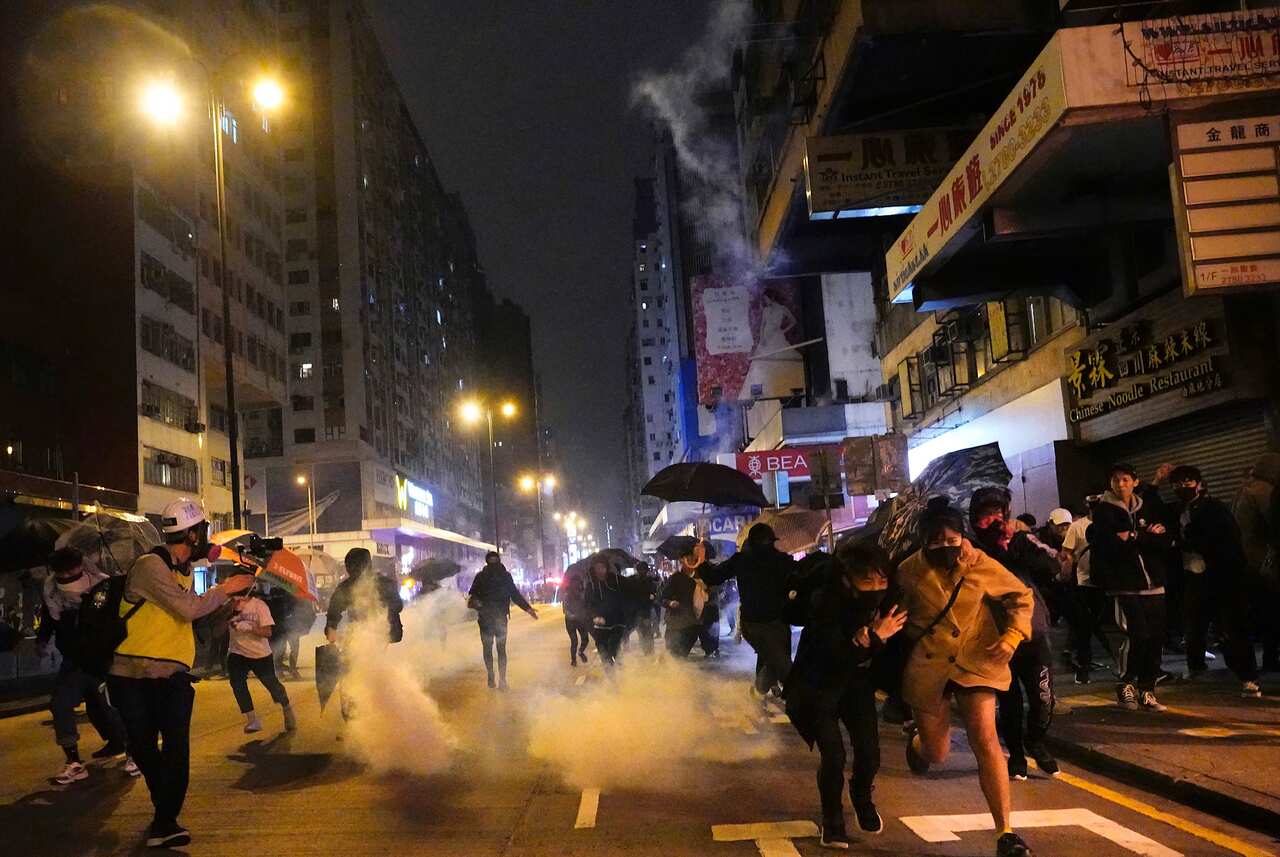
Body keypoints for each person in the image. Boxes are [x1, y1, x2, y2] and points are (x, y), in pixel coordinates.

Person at [107, 498, 255, 849]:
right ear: (190, 534)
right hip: (131, 674)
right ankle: (166, 813)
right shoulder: (150, 566)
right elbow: (186, 610)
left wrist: (228, 607)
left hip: (172, 676)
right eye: (203, 529)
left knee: (176, 747)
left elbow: (190, 624)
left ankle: (165, 819)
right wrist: (224, 590)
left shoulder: (183, 571)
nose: (206, 537)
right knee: (143, 748)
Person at [899, 497, 1035, 857]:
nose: (944, 546)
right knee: (937, 752)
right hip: (929, 665)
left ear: (962, 535)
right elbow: (893, 613)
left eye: (950, 538)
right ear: (923, 540)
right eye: (935, 541)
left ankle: (1006, 832)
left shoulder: (980, 563)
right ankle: (918, 744)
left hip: (976, 660)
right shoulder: (908, 571)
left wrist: (1012, 637)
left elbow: (1021, 598)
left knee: (986, 738)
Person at [785, 541, 907, 848]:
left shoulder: (890, 605)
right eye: (867, 581)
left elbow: (900, 649)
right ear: (846, 580)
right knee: (834, 754)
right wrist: (871, 639)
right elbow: (834, 656)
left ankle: (861, 794)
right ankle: (832, 820)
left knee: (869, 753)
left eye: (882, 580)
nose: (876, 588)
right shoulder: (823, 604)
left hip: (857, 685)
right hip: (819, 686)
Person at [969, 488, 1061, 780]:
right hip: (997, 636)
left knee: (1043, 697)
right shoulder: (973, 551)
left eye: (998, 513)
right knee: (1009, 701)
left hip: (1033, 631)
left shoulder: (1022, 540)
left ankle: (1035, 740)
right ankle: (1017, 755)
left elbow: (1052, 565)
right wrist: (996, 549)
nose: (994, 520)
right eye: (986, 516)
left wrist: (1016, 545)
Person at [37, 547, 136, 784]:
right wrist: (42, 641)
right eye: (62, 573)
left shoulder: (104, 588)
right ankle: (73, 761)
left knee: (115, 707)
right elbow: (51, 621)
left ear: (81, 566)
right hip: (75, 661)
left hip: (105, 659)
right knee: (61, 704)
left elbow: (118, 622)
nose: (68, 578)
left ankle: (133, 753)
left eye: (71, 570)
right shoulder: (52, 593)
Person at [1170, 465, 1261, 697]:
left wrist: (1187, 542)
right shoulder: (1177, 510)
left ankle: (1248, 677)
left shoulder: (1214, 509)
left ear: (1199, 484)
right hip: (1192, 576)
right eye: (1178, 483)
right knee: (1194, 624)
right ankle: (1197, 667)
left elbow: (1225, 541)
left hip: (1223, 577)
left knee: (1232, 626)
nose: (1183, 486)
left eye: (1188, 481)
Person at [1088, 463, 1172, 712]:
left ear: (1135, 481)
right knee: (1138, 634)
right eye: (1116, 480)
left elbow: (1164, 540)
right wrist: (1144, 536)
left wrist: (1135, 536)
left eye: (1125, 479)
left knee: (1156, 637)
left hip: (1154, 582)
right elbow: (1111, 545)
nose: (1120, 484)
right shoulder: (1103, 511)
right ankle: (1126, 682)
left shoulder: (1148, 506)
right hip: (1124, 583)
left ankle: (1147, 689)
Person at [699, 524, 797, 697]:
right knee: (780, 663)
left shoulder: (746, 560)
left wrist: (701, 561)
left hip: (760, 623)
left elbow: (713, 576)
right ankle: (795, 698)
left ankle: (760, 690)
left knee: (772, 659)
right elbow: (713, 577)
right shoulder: (779, 560)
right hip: (765, 623)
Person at [324, 548, 405, 718]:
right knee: (351, 671)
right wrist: (331, 628)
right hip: (358, 635)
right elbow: (334, 611)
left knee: (374, 671)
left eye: (353, 565)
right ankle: (354, 711)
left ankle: (377, 707)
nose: (350, 569)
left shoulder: (384, 583)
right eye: (348, 566)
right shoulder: (347, 587)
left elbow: (398, 606)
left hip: (382, 635)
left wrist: (380, 608)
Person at [1233, 452, 1280, 672]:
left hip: (1247, 562)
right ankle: (1271, 659)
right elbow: (1273, 525)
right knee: (1272, 612)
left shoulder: (1244, 491)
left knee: (1264, 612)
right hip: (1264, 562)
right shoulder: (1265, 492)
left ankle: (1269, 658)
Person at [227, 590, 296, 733]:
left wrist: (250, 627)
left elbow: (267, 632)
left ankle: (286, 707)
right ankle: (252, 720)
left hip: (260, 654)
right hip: (237, 653)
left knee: (272, 684)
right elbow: (216, 630)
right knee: (237, 682)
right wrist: (228, 618)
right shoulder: (228, 606)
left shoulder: (259, 606)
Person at [467, 551, 538, 690]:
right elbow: (514, 595)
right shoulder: (501, 576)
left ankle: (498, 678)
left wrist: (528, 609)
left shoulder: (484, 576)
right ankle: (497, 678)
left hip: (491, 618)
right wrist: (528, 609)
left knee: (494, 649)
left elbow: (514, 594)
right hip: (491, 618)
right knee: (496, 650)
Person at [1060, 501, 1113, 684]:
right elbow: (1065, 553)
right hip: (1084, 583)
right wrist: (1065, 573)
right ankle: (1084, 667)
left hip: (1109, 583)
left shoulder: (1113, 523)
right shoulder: (1077, 526)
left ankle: (1120, 665)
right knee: (1085, 627)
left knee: (1104, 627)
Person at [660, 545, 705, 657]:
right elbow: (661, 598)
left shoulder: (701, 578)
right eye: (688, 560)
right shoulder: (675, 578)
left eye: (693, 559)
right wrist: (670, 603)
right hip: (675, 624)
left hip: (691, 625)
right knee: (673, 656)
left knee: (681, 657)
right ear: (682, 561)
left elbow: (707, 600)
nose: (691, 562)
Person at [584, 559, 628, 668]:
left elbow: (626, 596)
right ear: (594, 570)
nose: (600, 571)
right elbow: (587, 605)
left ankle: (620, 670)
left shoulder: (616, 581)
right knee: (604, 656)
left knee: (614, 650)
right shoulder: (591, 586)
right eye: (597, 568)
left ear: (606, 568)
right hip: (599, 626)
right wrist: (594, 616)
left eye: (602, 567)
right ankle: (612, 680)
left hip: (616, 624)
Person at [559, 564, 590, 666]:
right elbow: (566, 610)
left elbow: (586, 606)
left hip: (581, 620)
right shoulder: (567, 595)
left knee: (585, 639)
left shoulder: (583, 594)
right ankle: (573, 660)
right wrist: (573, 616)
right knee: (574, 641)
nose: (576, 585)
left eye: (578, 583)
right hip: (571, 621)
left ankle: (580, 652)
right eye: (574, 583)